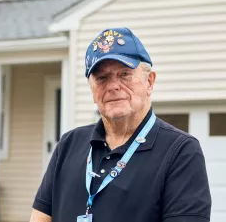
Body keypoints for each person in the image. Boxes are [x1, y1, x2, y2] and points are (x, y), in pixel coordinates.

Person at [30, 27, 211, 222]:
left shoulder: (181, 152)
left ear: (149, 82)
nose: (113, 86)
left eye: (125, 74)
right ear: (92, 90)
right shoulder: (69, 144)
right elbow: (41, 217)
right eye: (102, 78)